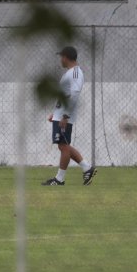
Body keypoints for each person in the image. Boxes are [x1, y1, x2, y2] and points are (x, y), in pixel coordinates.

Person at [42, 45, 98, 186]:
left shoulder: (75, 73)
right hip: (60, 115)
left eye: (61, 56)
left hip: (64, 117)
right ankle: (87, 168)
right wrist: (55, 114)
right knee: (63, 145)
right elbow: (65, 96)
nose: (60, 59)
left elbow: (74, 95)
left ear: (66, 57)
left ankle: (60, 179)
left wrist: (65, 116)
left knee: (64, 147)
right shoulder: (70, 73)